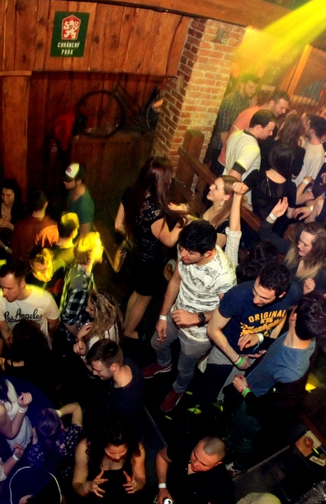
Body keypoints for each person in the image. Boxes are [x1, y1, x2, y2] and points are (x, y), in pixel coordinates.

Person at [228, 292, 326, 468]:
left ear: (294, 316)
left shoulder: (292, 372)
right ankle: (231, 439)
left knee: (243, 438)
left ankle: (239, 465)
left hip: (253, 408)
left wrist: (244, 390)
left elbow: (269, 411)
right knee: (236, 430)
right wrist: (261, 340)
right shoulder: (304, 335)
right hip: (250, 392)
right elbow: (281, 344)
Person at [144, 221, 236, 413]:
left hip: (199, 334)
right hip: (174, 314)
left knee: (184, 368)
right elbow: (175, 280)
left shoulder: (224, 275)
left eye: (190, 253)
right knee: (156, 343)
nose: (183, 255)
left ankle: (178, 389)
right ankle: (163, 365)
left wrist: (197, 317)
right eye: (182, 249)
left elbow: (227, 311)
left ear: (208, 253)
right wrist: (162, 316)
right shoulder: (185, 247)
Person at [199, 261, 298, 406]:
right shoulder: (237, 295)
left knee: (228, 394)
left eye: (264, 298)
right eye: (255, 292)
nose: (256, 300)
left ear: (282, 294)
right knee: (208, 390)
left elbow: (282, 314)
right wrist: (237, 360)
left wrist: (268, 342)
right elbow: (212, 329)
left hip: (255, 354)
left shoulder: (293, 293)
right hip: (226, 348)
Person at [116, 157, 191, 339]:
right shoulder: (155, 212)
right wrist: (183, 217)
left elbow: (118, 225)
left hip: (134, 255)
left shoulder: (131, 193)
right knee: (144, 298)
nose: (171, 178)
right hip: (148, 263)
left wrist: (136, 235)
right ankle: (128, 332)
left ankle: (125, 324)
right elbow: (170, 241)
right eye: (169, 176)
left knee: (137, 292)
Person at [154, 437, 234, 504]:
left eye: (203, 464)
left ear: (217, 463)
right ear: (198, 444)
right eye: (195, 455)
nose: (195, 464)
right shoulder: (185, 445)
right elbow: (161, 456)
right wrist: (162, 487)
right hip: (163, 493)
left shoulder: (222, 485)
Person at [72, 422, 146, 504]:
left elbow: (141, 479)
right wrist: (87, 486)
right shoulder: (85, 448)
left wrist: (137, 485)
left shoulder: (136, 449)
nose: (117, 457)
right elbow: (76, 485)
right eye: (111, 452)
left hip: (124, 503)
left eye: (122, 452)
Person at [259, 205, 326, 295]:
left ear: (317, 249)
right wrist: (273, 215)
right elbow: (265, 234)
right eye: (300, 240)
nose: (299, 245)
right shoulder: (292, 249)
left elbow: (316, 303)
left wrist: (308, 294)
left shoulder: (323, 276)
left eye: (305, 245)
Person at [0, 258, 61, 345]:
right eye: (2, 287)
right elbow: (5, 331)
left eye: (9, 288)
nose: (4, 293)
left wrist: (49, 338)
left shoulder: (45, 299)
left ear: (22, 284)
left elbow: (54, 322)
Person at [218, 90, 290, 173]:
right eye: (281, 108)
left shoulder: (268, 119)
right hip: (227, 165)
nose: (284, 111)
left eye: (285, 109)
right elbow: (231, 138)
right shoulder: (249, 115)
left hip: (238, 167)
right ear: (272, 103)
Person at [85, 339, 144, 424]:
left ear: (113, 367)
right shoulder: (128, 362)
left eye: (98, 370)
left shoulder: (122, 404)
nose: (94, 373)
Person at [207, 73, 259, 168]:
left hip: (232, 147)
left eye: (255, 88)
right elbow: (223, 131)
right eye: (251, 87)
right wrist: (229, 152)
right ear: (242, 85)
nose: (253, 91)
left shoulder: (246, 101)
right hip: (221, 147)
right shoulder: (230, 101)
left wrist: (251, 107)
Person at [58, 232, 101, 345]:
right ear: (90, 257)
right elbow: (68, 320)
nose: (102, 248)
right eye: (98, 247)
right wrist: (81, 338)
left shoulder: (77, 268)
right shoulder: (81, 286)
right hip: (72, 339)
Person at [224, 108, 277, 182]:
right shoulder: (253, 148)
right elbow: (234, 174)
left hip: (225, 179)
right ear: (258, 127)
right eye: (269, 130)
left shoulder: (235, 134)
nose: (271, 134)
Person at [11, 190, 59, 262]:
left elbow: (15, 251)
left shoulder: (19, 225)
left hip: (23, 266)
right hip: (43, 266)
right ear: (46, 204)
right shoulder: (52, 227)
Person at [0, 178, 26, 256]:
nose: (5, 198)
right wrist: (5, 248)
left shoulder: (21, 210)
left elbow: (25, 234)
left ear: (15, 195)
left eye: (8, 195)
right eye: (3, 195)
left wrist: (10, 226)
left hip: (18, 248)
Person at [293, 114, 326, 185]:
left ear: (312, 131)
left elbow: (310, 179)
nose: (305, 127)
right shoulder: (308, 142)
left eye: (307, 125)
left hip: (298, 188)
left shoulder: (318, 154)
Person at [62, 163, 95, 235]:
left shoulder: (84, 206)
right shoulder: (72, 189)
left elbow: (84, 234)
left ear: (78, 182)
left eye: (68, 180)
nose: (64, 182)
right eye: (64, 178)